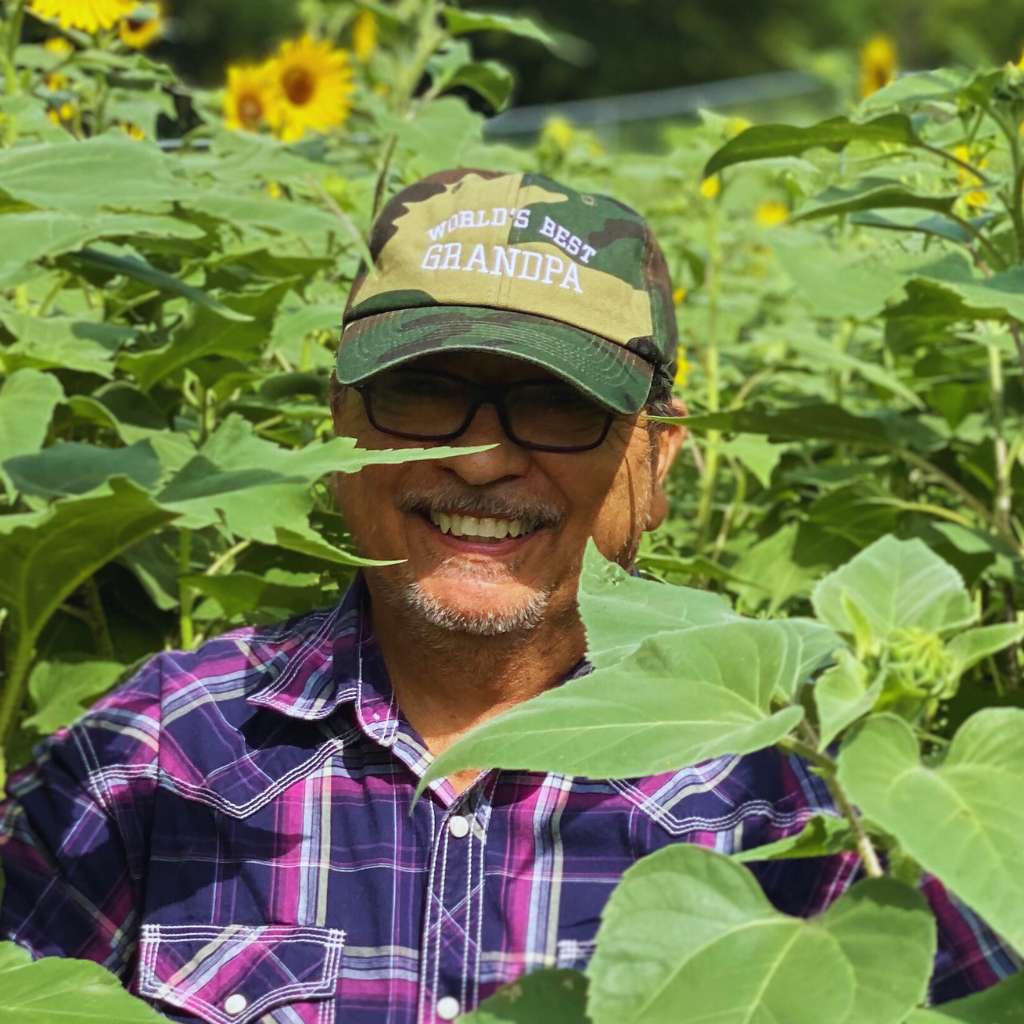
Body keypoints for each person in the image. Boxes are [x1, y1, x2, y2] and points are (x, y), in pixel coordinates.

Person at [0, 168, 1016, 1024]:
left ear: (658, 463)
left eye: (558, 402)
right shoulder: (154, 757)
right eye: (423, 391)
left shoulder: (788, 792)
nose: (481, 460)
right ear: (338, 427)